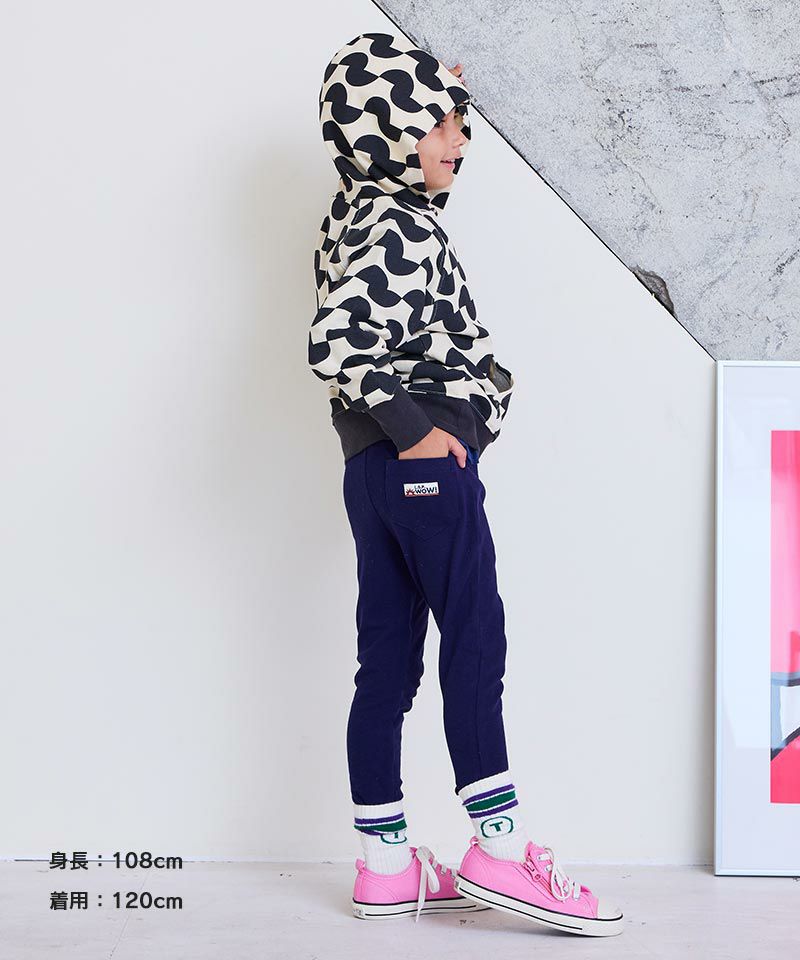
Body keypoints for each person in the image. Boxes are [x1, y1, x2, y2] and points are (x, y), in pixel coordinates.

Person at [308, 31, 624, 937]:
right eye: (439, 123)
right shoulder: (398, 226)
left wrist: (430, 95)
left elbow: (358, 320)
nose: (459, 140)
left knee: (388, 663)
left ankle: (385, 865)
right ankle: (501, 846)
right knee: (475, 638)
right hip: (420, 465)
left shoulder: (361, 211)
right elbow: (335, 342)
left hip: (372, 470)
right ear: (388, 129)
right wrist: (423, 434)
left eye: (461, 122)